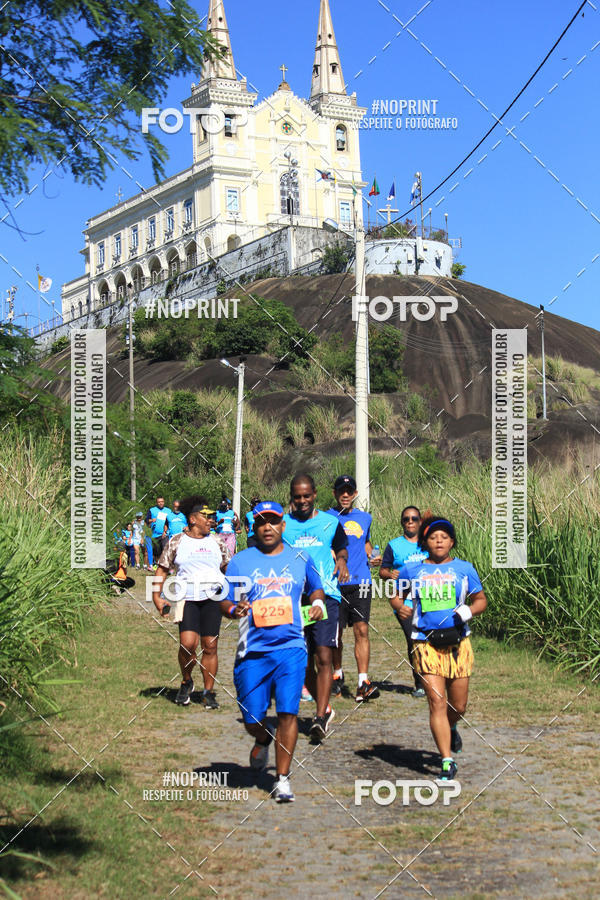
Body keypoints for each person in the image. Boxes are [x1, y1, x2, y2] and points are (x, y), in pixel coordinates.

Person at [220, 501, 325, 803]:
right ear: (254, 527)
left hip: (291, 649)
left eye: (273, 521)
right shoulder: (240, 561)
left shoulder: (300, 557)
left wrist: (318, 603)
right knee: (252, 719)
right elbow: (224, 599)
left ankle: (282, 779)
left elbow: (316, 587)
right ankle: (263, 738)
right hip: (253, 651)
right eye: (261, 522)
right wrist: (233, 609)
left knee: (288, 713)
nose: (267, 527)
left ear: (283, 525)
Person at [389, 516, 487, 781]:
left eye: (444, 537)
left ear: (452, 542)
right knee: (436, 702)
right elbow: (395, 595)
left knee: (459, 706)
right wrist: (400, 607)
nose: (439, 541)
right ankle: (446, 760)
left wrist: (468, 611)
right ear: (425, 543)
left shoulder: (464, 569)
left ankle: (451, 727)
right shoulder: (412, 570)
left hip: (458, 643)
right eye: (433, 537)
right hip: (425, 642)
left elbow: (481, 600)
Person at [283, 473, 349, 742]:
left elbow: (341, 547)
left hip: (326, 595)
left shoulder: (330, 523)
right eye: (297, 497)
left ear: (315, 495)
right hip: (294, 598)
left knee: (323, 654)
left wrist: (342, 561)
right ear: (291, 497)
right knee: (302, 660)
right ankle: (326, 706)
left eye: (306, 496)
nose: (302, 501)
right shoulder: (282, 524)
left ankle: (320, 717)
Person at [152, 497, 231, 709]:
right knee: (187, 645)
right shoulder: (177, 541)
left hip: (213, 598)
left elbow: (229, 568)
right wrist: (156, 596)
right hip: (187, 598)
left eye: (211, 517)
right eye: (206, 517)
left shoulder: (217, 541)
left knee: (210, 645)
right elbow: (162, 569)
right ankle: (186, 681)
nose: (211, 520)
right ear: (193, 519)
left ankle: (208, 692)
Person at [326, 475, 381, 702]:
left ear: (355, 494)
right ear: (335, 493)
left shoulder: (365, 518)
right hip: (336, 583)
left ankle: (362, 683)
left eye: (349, 491)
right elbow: (323, 546)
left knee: (362, 630)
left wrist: (373, 556)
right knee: (336, 634)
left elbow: (366, 543)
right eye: (341, 491)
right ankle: (337, 674)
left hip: (361, 582)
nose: (345, 495)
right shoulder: (326, 518)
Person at [380, 506, 429, 697]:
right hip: (404, 600)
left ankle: (433, 678)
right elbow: (383, 571)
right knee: (414, 639)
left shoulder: (428, 542)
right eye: (406, 519)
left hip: (428, 598)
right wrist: (389, 574)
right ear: (402, 522)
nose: (410, 522)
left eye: (414, 518)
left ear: (420, 521)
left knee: (430, 639)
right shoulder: (394, 545)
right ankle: (420, 683)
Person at [146, 497, 172, 562]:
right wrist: (152, 520)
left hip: (165, 534)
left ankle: (166, 565)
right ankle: (157, 564)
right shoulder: (152, 510)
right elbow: (146, 520)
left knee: (165, 549)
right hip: (155, 534)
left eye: (162, 501)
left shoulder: (168, 511)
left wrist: (165, 531)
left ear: (164, 502)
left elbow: (170, 522)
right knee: (157, 552)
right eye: (159, 502)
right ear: (157, 503)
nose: (161, 503)